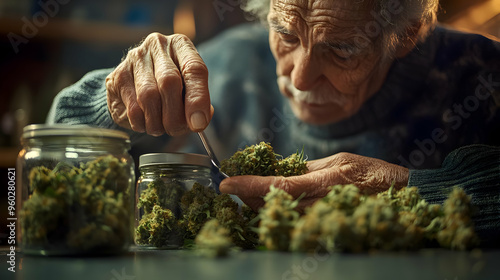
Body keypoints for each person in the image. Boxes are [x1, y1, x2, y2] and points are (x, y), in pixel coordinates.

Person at [47, 0, 500, 246]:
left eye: (341, 49)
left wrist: (419, 193)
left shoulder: (483, 78)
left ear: (407, 35)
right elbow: (54, 167)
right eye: (285, 34)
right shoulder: (225, 67)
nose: (299, 76)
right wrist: (114, 101)